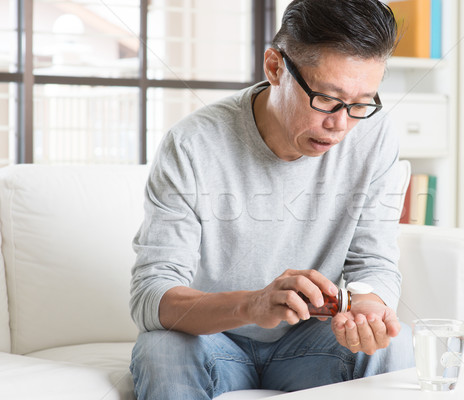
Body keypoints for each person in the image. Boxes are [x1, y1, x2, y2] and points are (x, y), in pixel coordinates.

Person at [129, 0, 414, 398]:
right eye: (327, 99)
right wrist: (251, 305)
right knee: (160, 347)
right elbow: (151, 296)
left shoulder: (374, 133)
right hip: (213, 343)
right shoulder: (192, 144)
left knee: (394, 342)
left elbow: (374, 262)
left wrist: (367, 305)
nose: (340, 125)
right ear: (275, 68)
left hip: (312, 347)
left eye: (361, 103)